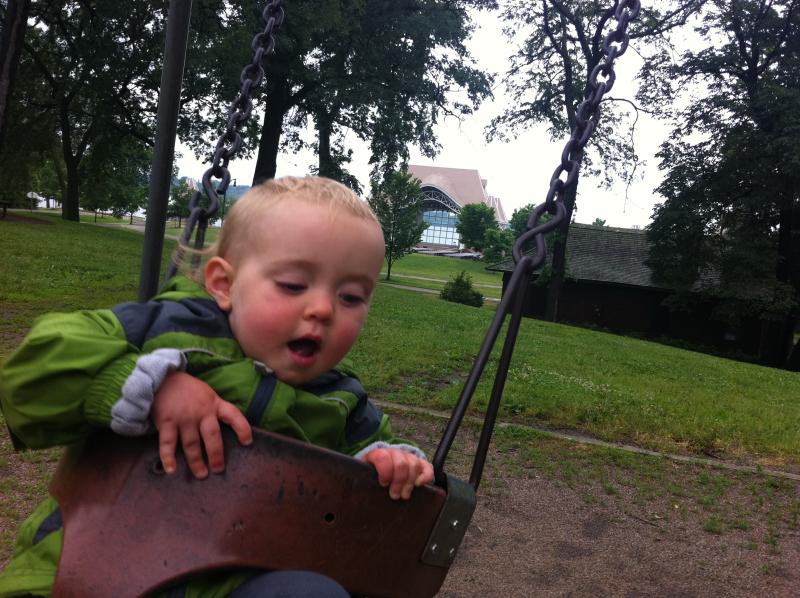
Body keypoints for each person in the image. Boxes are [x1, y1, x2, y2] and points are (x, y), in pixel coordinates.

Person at [0, 176, 434, 597]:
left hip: (241, 583)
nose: (322, 309)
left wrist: (390, 464)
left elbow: (379, 482)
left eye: (351, 297)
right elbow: (32, 372)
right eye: (293, 285)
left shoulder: (344, 403)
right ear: (224, 284)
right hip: (87, 565)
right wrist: (154, 386)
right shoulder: (164, 331)